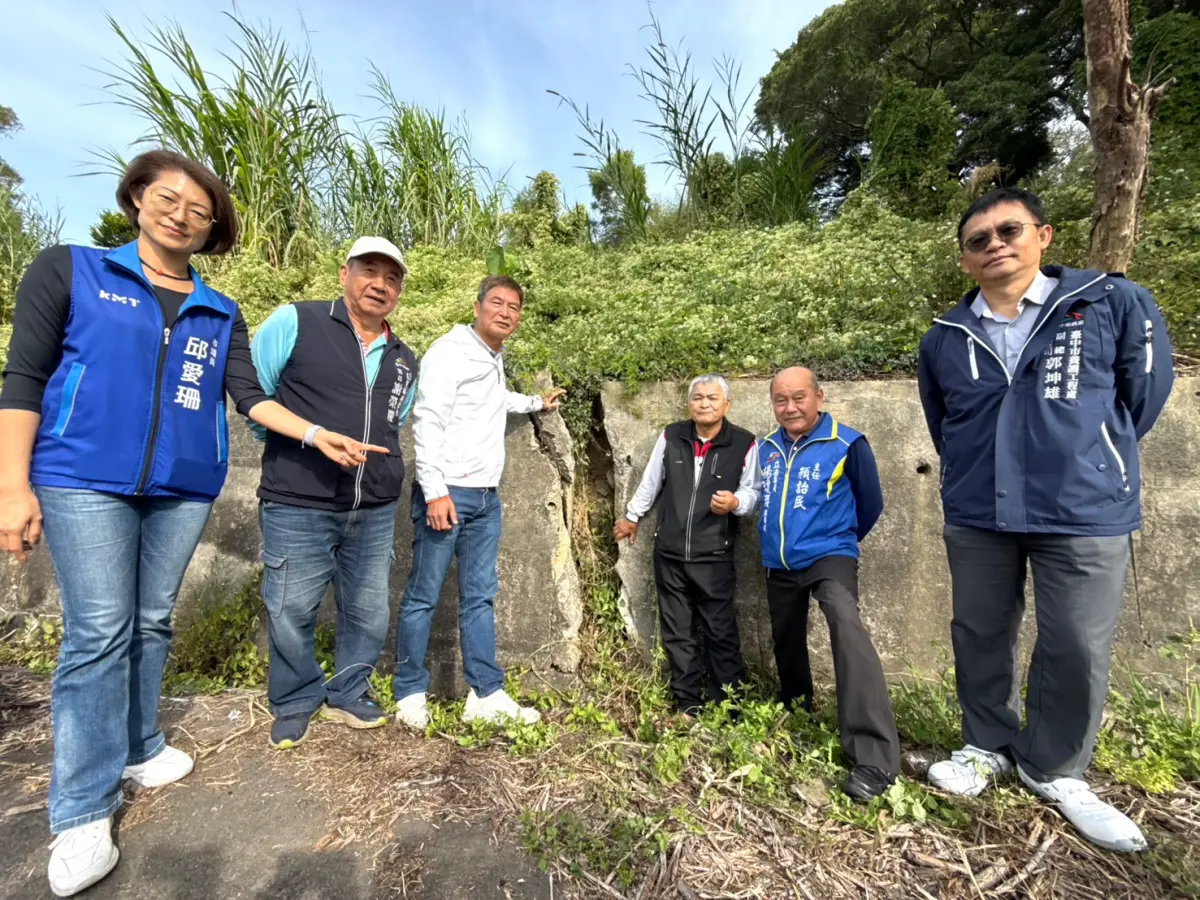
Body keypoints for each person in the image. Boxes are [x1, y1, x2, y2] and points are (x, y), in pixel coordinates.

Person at [0, 150, 376, 898]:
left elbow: (247, 397)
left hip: (180, 486)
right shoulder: (73, 270)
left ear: (211, 231)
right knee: (99, 629)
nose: (180, 213)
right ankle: (80, 809)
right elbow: (25, 375)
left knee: (150, 621)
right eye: (167, 198)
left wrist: (311, 433)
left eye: (199, 210)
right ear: (137, 198)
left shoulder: (219, 309)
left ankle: (140, 745)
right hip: (80, 475)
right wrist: (12, 484)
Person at [917, 187, 1174, 852]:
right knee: (978, 630)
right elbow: (946, 423)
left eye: (1009, 230)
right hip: (980, 509)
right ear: (966, 260)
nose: (996, 245)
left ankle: (1055, 767)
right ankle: (987, 742)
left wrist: (1088, 457)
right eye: (980, 240)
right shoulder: (946, 337)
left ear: (1044, 236)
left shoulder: (1108, 303)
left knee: (1077, 643)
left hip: (1082, 508)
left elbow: (1142, 396)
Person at [249, 237, 418, 751]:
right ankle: (296, 698)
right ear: (344, 273)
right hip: (298, 499)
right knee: (290, 606)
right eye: (369, 271)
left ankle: (348, 692)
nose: (380, 285)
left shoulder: (405, 358)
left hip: (373, 507)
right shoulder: (296, 321)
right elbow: (253, 396)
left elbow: (397, 420)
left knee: (368, 611)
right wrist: (304, 443)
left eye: (391, 278)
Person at [391, 275, 564, 729]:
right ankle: (409, 692)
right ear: (477, 307)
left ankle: (485, 694)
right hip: (449, 494)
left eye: (514, 307)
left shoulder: (491, 356)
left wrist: (535, 403)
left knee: (480, 597)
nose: (506, 312)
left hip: (487, 498)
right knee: (423, 595)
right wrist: (435, 492)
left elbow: (492, 398)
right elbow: (427, 420)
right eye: (497, 303)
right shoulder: (450, 352)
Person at [757, 366, 900, 801]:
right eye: (781, 400)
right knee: (785, 637)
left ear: (820, 397)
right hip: (779, 559)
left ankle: (874, 756)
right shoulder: (766, 448)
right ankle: (797, 705)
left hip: (829, 556)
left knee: (845, 625)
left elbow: (871, 503)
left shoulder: (847, 443)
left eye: (798, 397)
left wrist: (838, 540)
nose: (790, 407)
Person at [613, 374, 758, 719]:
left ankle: (729, 706)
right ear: (688, 402)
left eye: (712, 398)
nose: (704, 404)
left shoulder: (744, 443)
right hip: (670, 554)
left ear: (727, 404)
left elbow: (754, 492)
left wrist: (736, 502)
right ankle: (687, 704)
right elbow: (652, 480)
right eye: (697, 398)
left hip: (714, 555)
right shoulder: (672, 436)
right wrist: (632, 516)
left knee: (720, 632)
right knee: (677, 632)